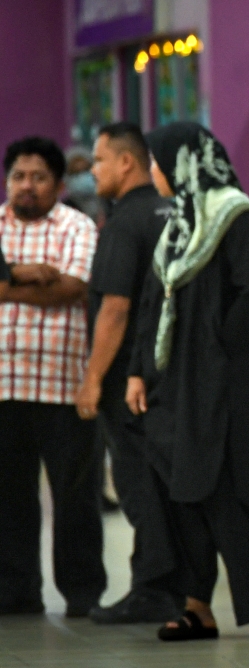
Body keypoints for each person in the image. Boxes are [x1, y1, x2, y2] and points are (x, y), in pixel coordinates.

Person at [126, 122, 249, 640]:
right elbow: (153, 304)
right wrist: (138, 373)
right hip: (171, 382)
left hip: (218, 383)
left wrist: (214, 346)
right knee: (178, 486)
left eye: (157, 162)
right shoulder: (177, 225)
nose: (153, 172)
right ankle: (196, 604)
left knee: (228, 485)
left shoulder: (235, 218)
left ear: (184, 163)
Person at [0, 136, 107, 618]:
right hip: (3, 388)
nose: (27, 186)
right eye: (19, 176)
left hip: (65, 387)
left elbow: (73, 288)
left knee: (75, 500)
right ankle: (15, 591)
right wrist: (29, 272)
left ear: (59, 184)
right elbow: (51, 286)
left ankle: (82, 594)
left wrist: (6, 284)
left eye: (38, 177)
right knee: (9, 499)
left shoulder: (77, 226)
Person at [80, 123, 180, 624]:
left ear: (126, 162)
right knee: (162, 481)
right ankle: (172, 582)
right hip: (170, 373)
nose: (92, 169)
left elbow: (115, 307)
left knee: (138, 481)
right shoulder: (172, 212)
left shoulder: (123, 222)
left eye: (98, 159)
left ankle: (154, 588)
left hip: (128, 378)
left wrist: (94, 377)